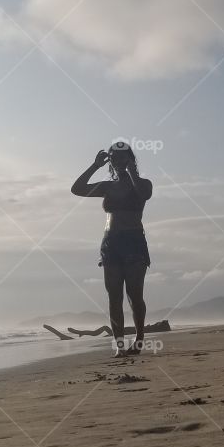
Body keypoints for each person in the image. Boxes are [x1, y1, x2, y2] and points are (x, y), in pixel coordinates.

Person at [71, 141, 153, 356]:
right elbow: (77, 189)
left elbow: (143, 194)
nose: (118, 161)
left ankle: (139, 339)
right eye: (114, 158)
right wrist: (94, 166)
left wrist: (131, 170)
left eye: (122, 157)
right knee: (114, 296)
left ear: (129, 159)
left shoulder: (143, 183)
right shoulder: (107, 187)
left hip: (134, 241)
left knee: (135, 295)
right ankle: (119, 345)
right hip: (111, 243)